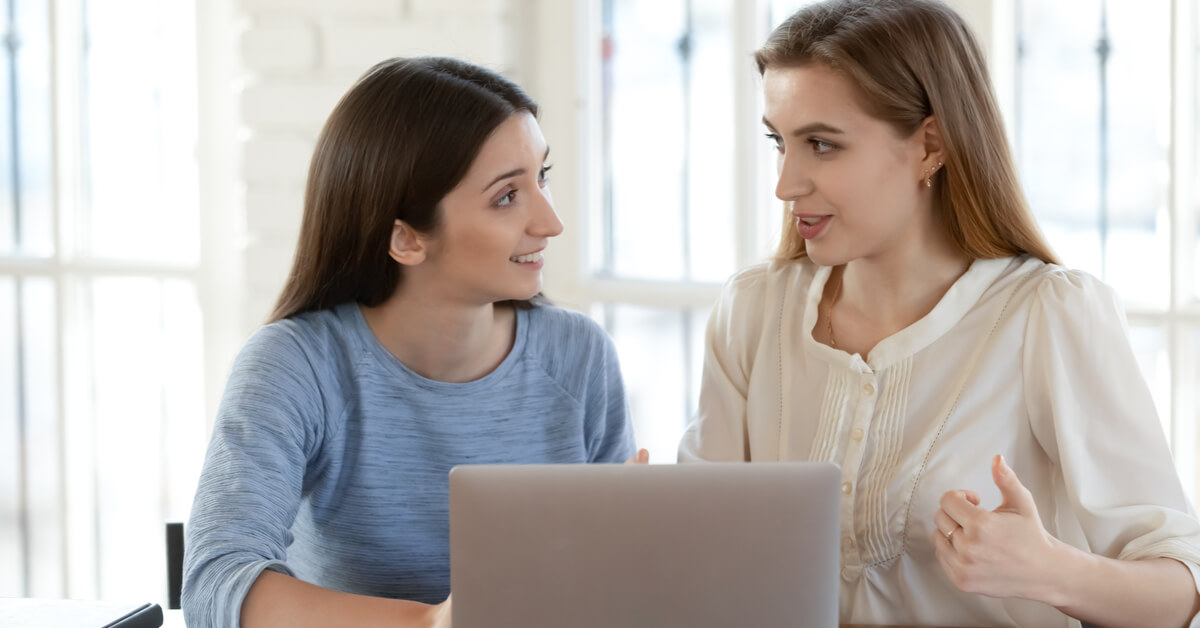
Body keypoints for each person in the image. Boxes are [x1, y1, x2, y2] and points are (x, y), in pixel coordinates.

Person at [677, 1, 1200, 626]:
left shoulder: (1048, 314)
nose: (786, 183)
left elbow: (1180, 588)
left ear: (931, 143)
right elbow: (701, 556)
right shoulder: (753, 311)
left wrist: (1053, 571)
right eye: (778, 142)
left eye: (822, 144)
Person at [182, 56, 642, 628]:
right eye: (506, 196)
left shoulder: (580, 356)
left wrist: (637, 541)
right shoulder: (296, 365)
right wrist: (428, 624)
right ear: (405, 239)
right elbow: (215, 585)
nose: (550, 222)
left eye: (542, 178)